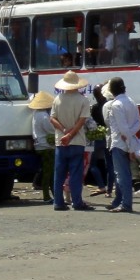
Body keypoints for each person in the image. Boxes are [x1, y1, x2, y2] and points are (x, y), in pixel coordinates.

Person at [50, 71, 93, 211]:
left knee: (59, 174)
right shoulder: (83, 100)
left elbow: (52, 119)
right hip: (77, 141)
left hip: (60, 142)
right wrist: (70, 135)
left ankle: (58, 202)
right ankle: (77, 202)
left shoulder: (57, 99)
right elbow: (81, 122)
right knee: (75, 174)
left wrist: (64, 132)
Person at [105, 77, 140, 213]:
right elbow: (138, 124)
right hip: (128, 141)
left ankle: (126, 204)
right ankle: (121, 202)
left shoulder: (116, 105)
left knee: (122, 175)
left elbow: (122, 129)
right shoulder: (132, 102)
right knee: (125, 174)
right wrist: (131, 138)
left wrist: (130, 145)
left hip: (119, 144)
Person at [28, 91, 56, 203]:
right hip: (46, 146)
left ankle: (50, 195)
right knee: (49, 172)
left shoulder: (35, 114)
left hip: (39, 145)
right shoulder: (44, 116)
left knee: (46, 171)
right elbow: (50, 130)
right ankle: (47, 196)